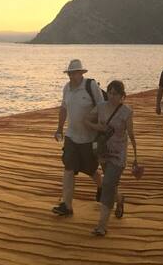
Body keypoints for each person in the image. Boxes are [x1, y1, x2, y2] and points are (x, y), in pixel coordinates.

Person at [51, 59, 105, 218]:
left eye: (74, 73)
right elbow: (63, 108)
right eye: (70, 73)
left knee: (91, 170)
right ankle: (67, 206)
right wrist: (59, 128)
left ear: (81, 73)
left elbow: (102, 106)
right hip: (71, 136)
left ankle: (102, 187)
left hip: (89, 137)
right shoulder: (66, 88)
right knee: (68, 168)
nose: (71, 76)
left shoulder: (91, 86)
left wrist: (93, 122)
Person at [88, 80, 139, 236]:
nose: (111, 96)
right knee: (111, 185)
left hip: (118, 154)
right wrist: (98, 127)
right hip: (103, 152)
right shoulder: (101, 107)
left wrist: (136, 156)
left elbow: (130, 133)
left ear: (122, 96)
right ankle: (120, 198)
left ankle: (102, 225)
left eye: (115, 93)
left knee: (108, 183)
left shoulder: (126, 111)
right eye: (109, 92)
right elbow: (87, 120)